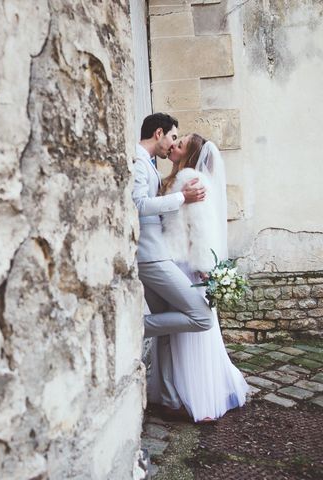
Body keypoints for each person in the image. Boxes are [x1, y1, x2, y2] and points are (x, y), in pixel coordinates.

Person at [147, 134, 248, 422]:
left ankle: (198, 397)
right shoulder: (172, 179)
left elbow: (199, 228)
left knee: (192, 331)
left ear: (190, 155)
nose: (174, 146)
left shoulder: (190, 179)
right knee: (182, 333)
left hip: (187, 265)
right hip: (175, 262)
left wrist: (205, 266)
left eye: (180, 144)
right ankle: (178, 392)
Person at [133, 113, 215, 420]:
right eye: (172, 137)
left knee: (165, 331)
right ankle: (133, 328)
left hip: (158, 253)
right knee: (200, 316)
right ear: (159, 133)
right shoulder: (139, 162)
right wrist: (182, 198)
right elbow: (138, 204)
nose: (172, 144)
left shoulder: (149, 163)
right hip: (150, 257)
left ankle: (168, 400)